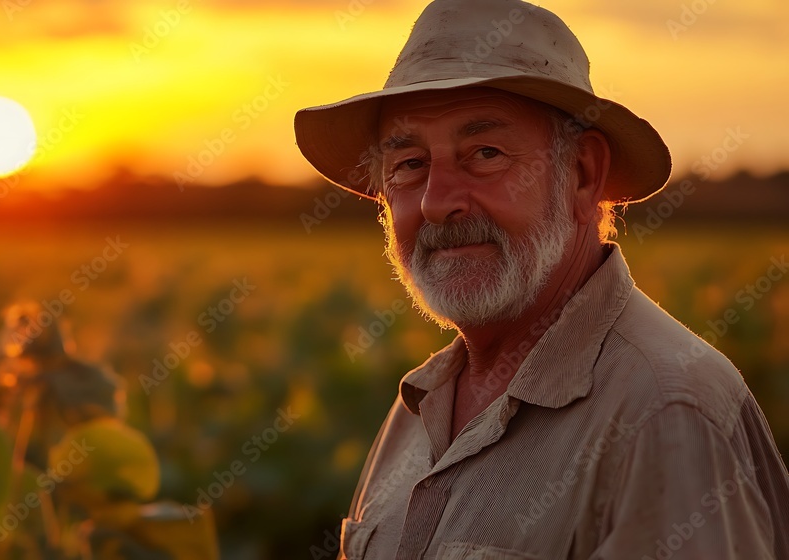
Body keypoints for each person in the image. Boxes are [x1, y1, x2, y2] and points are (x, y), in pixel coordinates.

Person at [293, 1, 789, 558]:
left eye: (485, 153)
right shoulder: (419, 404)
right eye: (409, 164)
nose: (436, 204)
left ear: (581, 175)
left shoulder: (666, 412)